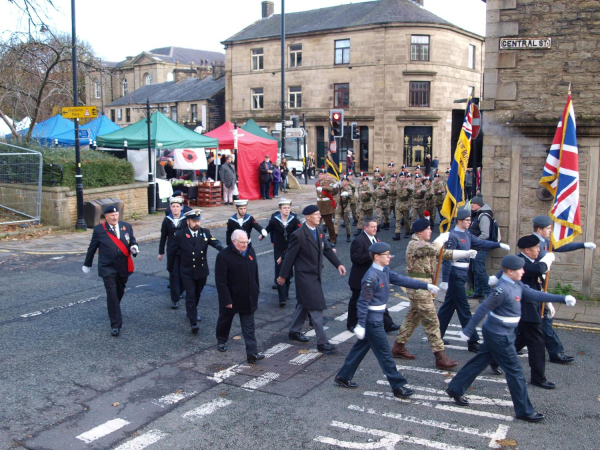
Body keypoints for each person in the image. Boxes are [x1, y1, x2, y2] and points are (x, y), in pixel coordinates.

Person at [446, 255, 576, 423]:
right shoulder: (502, 290)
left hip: (501, 333)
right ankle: (524, 411)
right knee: (516, 373)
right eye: (519, 269)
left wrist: (562, 299)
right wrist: (469, 330)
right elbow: (482, 308)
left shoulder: (517, 284)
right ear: (509, 271)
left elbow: (535, 295)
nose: (523, 271)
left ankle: (455, 388)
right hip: (499, 336)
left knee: (480, 361)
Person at [334, 242, 436, 398]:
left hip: (376, 318)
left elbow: (403, 280)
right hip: (372, 320)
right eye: (386, 255)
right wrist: (361, 324)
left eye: (389, 254)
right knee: (385, 354)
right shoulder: (371, 277)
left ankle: (343, 376)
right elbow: (363, 302)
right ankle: (398, 386)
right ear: (376, 257)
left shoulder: (384, 271)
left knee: (360, 348)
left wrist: (425, 286)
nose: (390, 257)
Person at [492, 215, 596, 364]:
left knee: (528, 327)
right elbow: (517, 262)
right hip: (529, 290)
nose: (550, 230)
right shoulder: (532, 243)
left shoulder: (545, 243)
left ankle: (502, 353)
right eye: (547, 228)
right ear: (539, 229)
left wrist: (583, 245)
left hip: (537, 287)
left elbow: (561, 246)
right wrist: (497, 278)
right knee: (538, 324)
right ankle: (554, 352)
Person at [392, 219, 466, 369]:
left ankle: (398, 347)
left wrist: (465, 254)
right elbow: (433, 249)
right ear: (419, 231)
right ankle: (440, 357)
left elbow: (442, 253)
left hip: (425, 286)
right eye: (428, 229)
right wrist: (441, 238)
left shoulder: (425, 245)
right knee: (432, 321)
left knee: (413, 318)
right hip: (418, 287)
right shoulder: (415, 244)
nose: (430, 231)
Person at [278, 205, 347, 354]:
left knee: (304, 304)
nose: (319, 216)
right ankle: (322, 342)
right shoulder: (298, 235)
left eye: (319, 214)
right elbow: (290, 256)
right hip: (304, 277)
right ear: (308, 216)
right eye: (316, 214)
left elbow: (326, 249)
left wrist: (338, 264)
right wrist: (283, 275)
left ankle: (294, 331)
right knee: (316, 307)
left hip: (315, 275)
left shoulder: (318, 231)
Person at [438, 209, 509, 352]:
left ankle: (436, 335)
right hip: (455, 275)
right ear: (459, 221)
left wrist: (497, 244)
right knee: (464, 308)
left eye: (470, 220)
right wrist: (445, 280)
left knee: (448, 307)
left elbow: (481, 243)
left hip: (461, 274)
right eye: (467, 220)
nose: (470, 222)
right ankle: (472, 341)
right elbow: (446, 258)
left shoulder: (467, 234)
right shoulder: (452, 236)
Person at [82, 206, 139, 336]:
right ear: (106, 217)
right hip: (107, 267)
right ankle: (115, 324)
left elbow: (132, 242)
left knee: (119, 291)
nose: (115, 217)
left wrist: (135, 248)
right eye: (112, 215)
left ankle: (113, 307)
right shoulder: (99, 230)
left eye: (116, 215)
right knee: (112, 294)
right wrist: (87, 264)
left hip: (123, 266)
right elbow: (92, 248)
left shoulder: (126, 227)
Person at [513, 234, 558, 389]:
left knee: (523, 338)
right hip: (526, 307)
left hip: (534, 304)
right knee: (538, 342)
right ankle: (538, 378)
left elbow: (539, 282)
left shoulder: (532, 260)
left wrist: (547, 302)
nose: (539, 250)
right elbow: (537, 269)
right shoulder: (521, 262)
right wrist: (548, 260)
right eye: (536, 248)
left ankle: (493, 358)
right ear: (527, 250)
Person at [169, 209, 223, 333]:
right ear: (188, 221)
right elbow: (171, 253)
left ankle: (191, 311)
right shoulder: (180, 235)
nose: (197, 223)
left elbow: (215, 242)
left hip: (201, 271)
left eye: (198, 221)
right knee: (191, 294)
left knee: (197, 293)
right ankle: (193, 321)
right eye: (194, 221)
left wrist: (222, 248)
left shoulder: (205, 233)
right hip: (186, 271)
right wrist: (171, 268)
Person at [215, 229, 265, 363]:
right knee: (225, 320)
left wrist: (256, 290)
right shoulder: (223, 256)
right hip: (231, 297)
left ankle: (252, 353)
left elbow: (255, 273)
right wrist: (226, 299)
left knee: (249, 327)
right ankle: (221, 340)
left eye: (246, 242)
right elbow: (221, 281)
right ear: (233, 242)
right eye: (242, 243)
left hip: (248, 296)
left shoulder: (250, 251)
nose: (245, 245)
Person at [347, 218, 399, 333]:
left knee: (377, 299)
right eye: (372, 227)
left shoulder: (374, 238)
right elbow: (355, 258)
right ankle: (351, 323)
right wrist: (372, 256)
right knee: (356, 301)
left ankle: (388, 324)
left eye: (376, 226)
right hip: (359, 278)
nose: (375, 229)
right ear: (365, 227)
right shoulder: (359, 240)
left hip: (373, 276)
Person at [263, 199, 302, 306]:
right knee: (280, 269)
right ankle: (282, 297)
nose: (287, 210)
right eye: (284, 208)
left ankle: (286, 291)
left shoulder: (294, 220)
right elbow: (268, 229)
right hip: (279, 249)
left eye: (288, 208)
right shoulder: (275, 220)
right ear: (280, 209)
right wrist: (262, 235)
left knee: (288, 271)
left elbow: (301, 231)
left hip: (290, 249)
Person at [158, 197, 187, 309]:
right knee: (174, 273)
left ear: (181, 207)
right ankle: (175, 299)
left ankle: (181, 290)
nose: (175, 209)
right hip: (172, 250)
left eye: (177, 207)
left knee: (183, 272)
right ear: (170, 208)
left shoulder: (185, 219)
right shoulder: (167, 220)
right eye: (173, 207)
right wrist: (160, 252)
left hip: (184, 250)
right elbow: (163, 236)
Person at [468, 195, 496, 300]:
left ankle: (488, 292)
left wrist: (475, 241)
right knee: (476, 269)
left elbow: (485, 234)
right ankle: (478, 291)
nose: (471, 205)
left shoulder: (483, 216)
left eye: (473, 203)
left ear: (479, 204)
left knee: (480, 270)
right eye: (471, 203)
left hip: (481, 247)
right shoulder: (477, 214)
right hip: (477, 247)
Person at [315, 168, 339, 246]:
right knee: (317, 224)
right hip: (319, 205)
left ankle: (333, 239)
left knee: (329, 224)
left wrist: (323, 188)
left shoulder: (330, 182)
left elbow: (331, 188)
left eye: (321, 174)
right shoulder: (317, 183)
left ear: (325, 175)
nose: (320, 176)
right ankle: (317, 239)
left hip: (327, 206)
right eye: (319, 174)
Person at [393, 172, 412, 240]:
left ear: (405, 178)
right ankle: (397, 233)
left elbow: (412, 190)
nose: (402, 179)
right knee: (398, 219)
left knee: (406, 219)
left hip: (405, 203)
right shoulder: (397, 184)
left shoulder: (408, 184)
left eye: (403, 177)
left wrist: (407, 188)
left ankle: (407, 231)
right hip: (398, 203)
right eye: (401, 177)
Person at [334, 175, 353, 243]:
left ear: (348, 182)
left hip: (346, 207)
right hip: (339, 207)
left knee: (347, 222)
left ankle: (348, 235)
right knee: (336, 222)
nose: (343, 182)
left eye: (345, 181)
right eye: (342, 181)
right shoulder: (340, 187)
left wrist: (347, 193)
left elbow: (351, 194)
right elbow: (333, 191)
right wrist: (335, 186)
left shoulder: (349, 188)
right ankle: (334, 238)